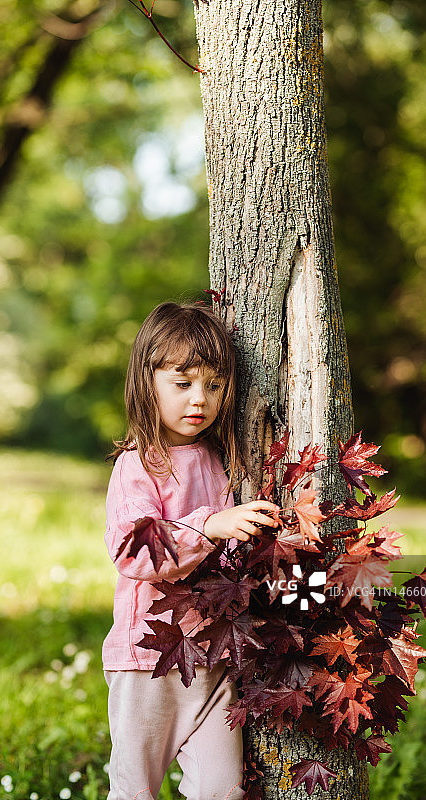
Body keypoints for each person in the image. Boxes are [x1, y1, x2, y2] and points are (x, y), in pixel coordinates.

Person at [102, 302, 279, 800]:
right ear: (147, 382)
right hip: (148, 659)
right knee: (136, 789)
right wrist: (211, 525)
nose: (200, 399)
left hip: (214, 657)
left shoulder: (219, 460)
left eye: (214, 385)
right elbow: (133, 552)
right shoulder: (138, 466)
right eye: (183, 384)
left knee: (222, 789)